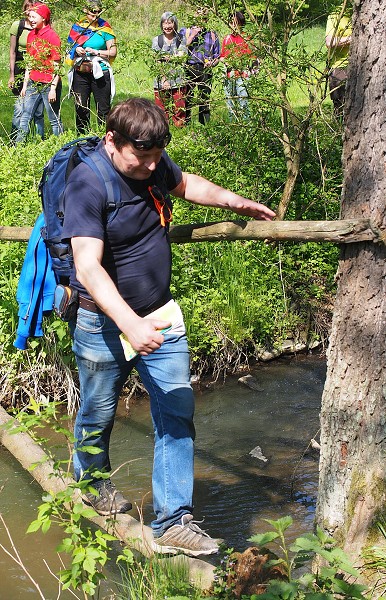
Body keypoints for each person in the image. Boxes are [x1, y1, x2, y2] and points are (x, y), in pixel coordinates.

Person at [62, 97, 275, 557]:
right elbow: (87, 268)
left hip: (160, 316)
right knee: (98, 411)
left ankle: (173, 520)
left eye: (157, 155)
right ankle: (91, 480)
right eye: (141, 156)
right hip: (102, 322)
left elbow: (186, 183)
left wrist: (232, 200)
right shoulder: (87, 183)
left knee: (177, 412)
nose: (151, 165)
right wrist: (129, 324)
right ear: (111, 141)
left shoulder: (152, 161)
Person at [66, 0, 117, 134]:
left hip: (101, 71)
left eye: (98, 11)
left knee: (104, 110)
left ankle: (104, 139)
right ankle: (83, 141)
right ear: (85, 10)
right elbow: (69, 49)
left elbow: (112, 52)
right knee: (80, 108)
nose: (96, 14)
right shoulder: (77, 27)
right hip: (81, 72)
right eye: (93, 11)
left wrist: (97, 52)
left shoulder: (105, 28)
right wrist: (76, 51)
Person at [16, 2, 63, 143]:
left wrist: (53, 89)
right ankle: (19, 146)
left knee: (54, 119)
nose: (31, 19)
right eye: (29, 16)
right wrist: (25, 85)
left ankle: (59, 147)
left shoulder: (52, 36)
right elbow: (29, 62)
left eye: (34, 16)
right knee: (26, 116)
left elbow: (57, 65)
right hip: (33, 82)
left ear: (44, 18)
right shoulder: (31, 35)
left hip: (49, 83)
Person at [8, 0, 44, 143]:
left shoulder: (40, 27)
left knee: (36, 110)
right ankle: (13, 140)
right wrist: (11, 75)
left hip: (36, 67)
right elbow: (12, 52)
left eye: (33, 9)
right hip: (20, 67)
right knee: (19, 108)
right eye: (28, 9)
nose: (30, 13)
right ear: (24, 10)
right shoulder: (18, 26)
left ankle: (36, 140)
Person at [180, 8, 220, 124]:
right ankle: (186, 124)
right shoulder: (185, 31)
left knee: (204, 98)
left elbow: (217, 56)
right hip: (189, 68)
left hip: (205, 69)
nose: (201, 21)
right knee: (187, 97)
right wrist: (192, 36)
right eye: (198, 18)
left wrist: (212, 63)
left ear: (206, 20)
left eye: (203, 18)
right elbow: (179, 48)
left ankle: (204, 125)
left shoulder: (212, 34)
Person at [220, 11, 258, 121]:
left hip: (243, 75)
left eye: (236, 23)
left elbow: (252, 57)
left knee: (243, 102)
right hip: (229, 75)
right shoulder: (227, 38)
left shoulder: (247, 38)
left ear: (241, 23)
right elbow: (222, 56)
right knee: (230, 104)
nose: (233, 25)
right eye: (231, 22)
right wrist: (225, 61)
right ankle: (234, 128)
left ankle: (247, 126)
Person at [152, 12, 187, 127]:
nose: (167, 26)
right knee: (160, 110)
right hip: (161, 81)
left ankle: (180, 132)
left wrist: (167, 57)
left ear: (175, 24)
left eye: (170, 23)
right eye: (165, 23)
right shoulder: (156, 40)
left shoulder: (181, 39)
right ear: (161, 25)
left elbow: (182, 57)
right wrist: (164, 79)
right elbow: (156, 61)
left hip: (179, 80)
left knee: (180, 108)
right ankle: (161, 132)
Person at [325, 4, 352, 117]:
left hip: (363, 65)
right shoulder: (336, 15)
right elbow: (330, 42)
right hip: (340, 67)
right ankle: (340, 132)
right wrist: (353, 38)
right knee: (340, 105)